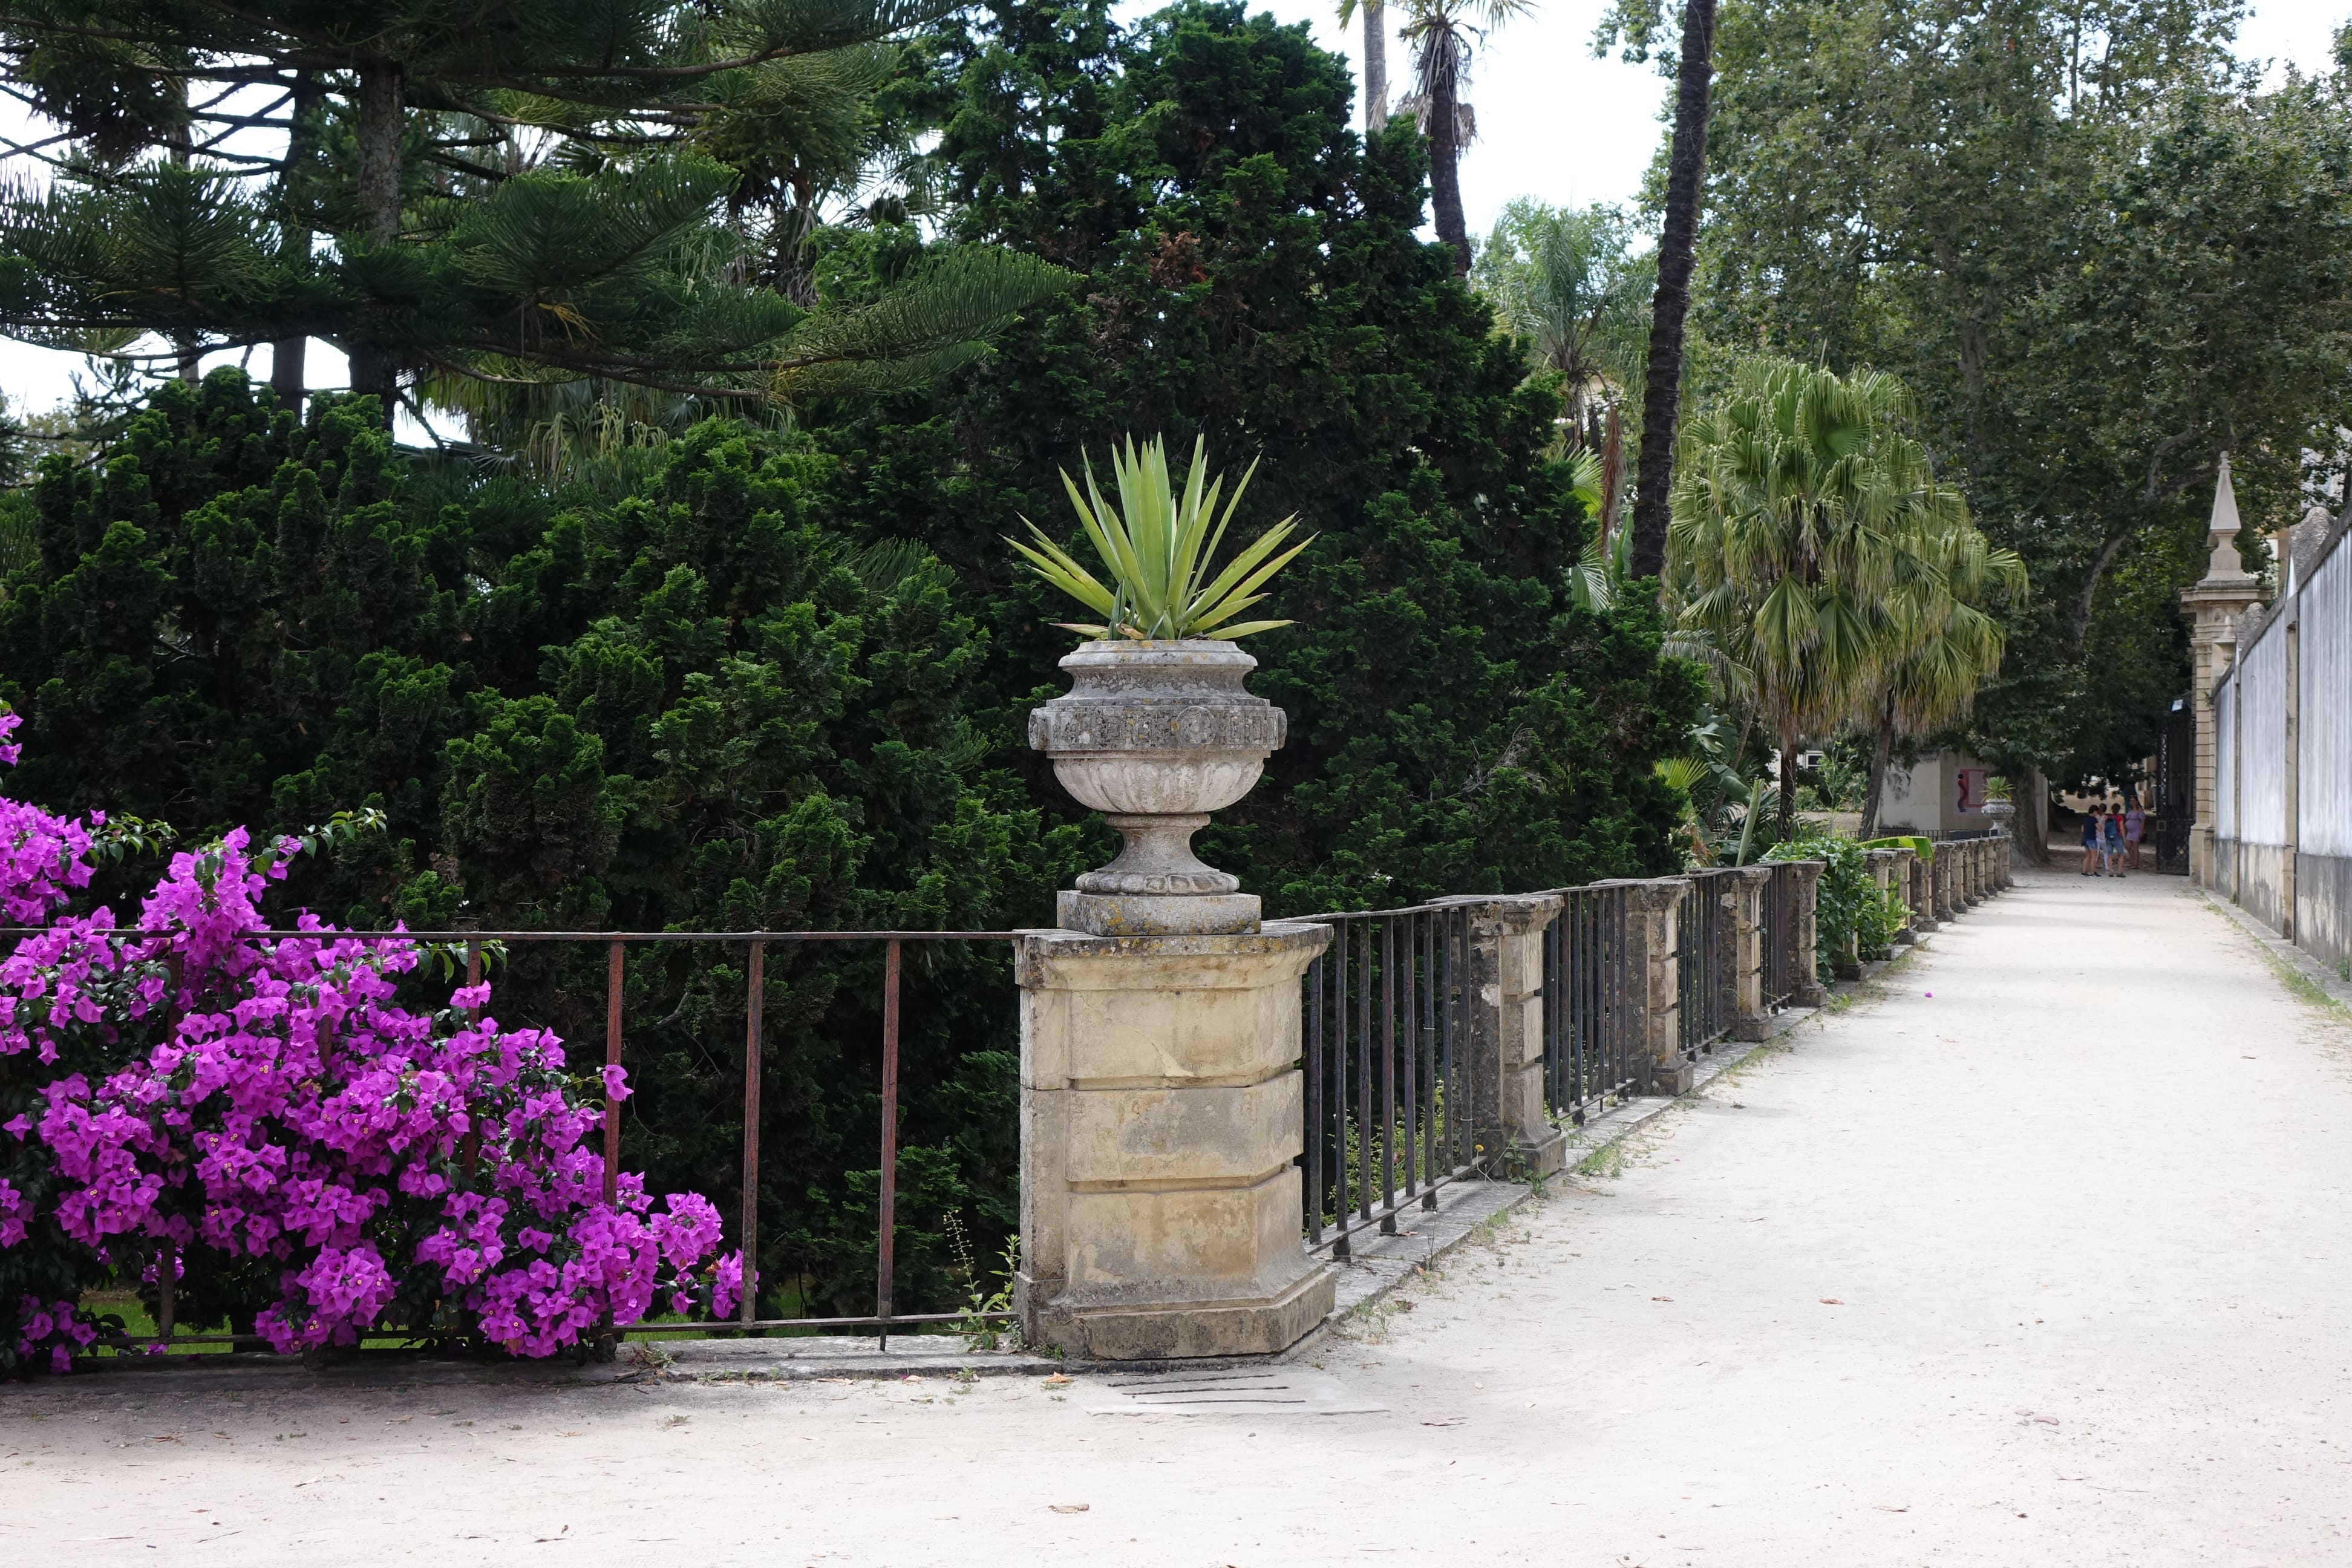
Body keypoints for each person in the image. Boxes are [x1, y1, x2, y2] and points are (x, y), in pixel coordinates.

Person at [2103, 799, 2126, 877]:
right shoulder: (2120, 818)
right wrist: (2124, 838)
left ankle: (2110, 871)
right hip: (2117, 837)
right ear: (2119, 810)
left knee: (2110, 855)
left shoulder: (2109, 818)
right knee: (2121, 855)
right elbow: (2122, 828)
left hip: (2109, 838)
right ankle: (2119, 872)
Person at [2125, 795, 2146, 870]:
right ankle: (2133, 860)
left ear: (2137, 802)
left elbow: (2143, 821)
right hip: (2130, 831)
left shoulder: (2139, 810)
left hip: (2136, 830)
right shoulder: (2130, 809)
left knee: (2135, 848)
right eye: (2131, 801)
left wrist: (2141, 831)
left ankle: (2136, 864)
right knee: (2127, 846)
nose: (2132, 802)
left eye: (2134, 801)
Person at [2081, 802, 2102, 875]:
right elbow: (2099, 828)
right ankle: (2093, 872)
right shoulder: (2094, 819)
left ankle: (2084, 871)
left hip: (2085, 839)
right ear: (2095, 811)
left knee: (2088, 856)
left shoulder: (2085, 819)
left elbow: (2082, 830)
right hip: (2092, 839)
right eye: (2097, 812)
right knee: (2094, 856)